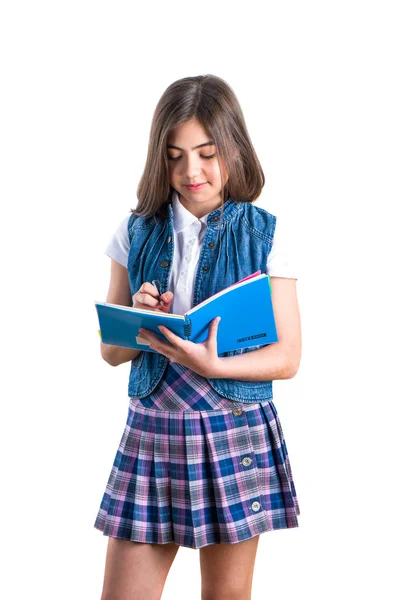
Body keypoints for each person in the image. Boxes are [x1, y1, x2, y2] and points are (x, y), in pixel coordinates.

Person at [94, 74, 301, 600]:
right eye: (175, 155)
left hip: (233, 428)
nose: (192, 171)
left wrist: (216, 367)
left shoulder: (268, 232)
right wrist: (139, 319)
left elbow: (288, 357)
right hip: (154, 429)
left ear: (234, 148)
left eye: (207, 153)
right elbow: (111, 351)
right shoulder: (134, 230)